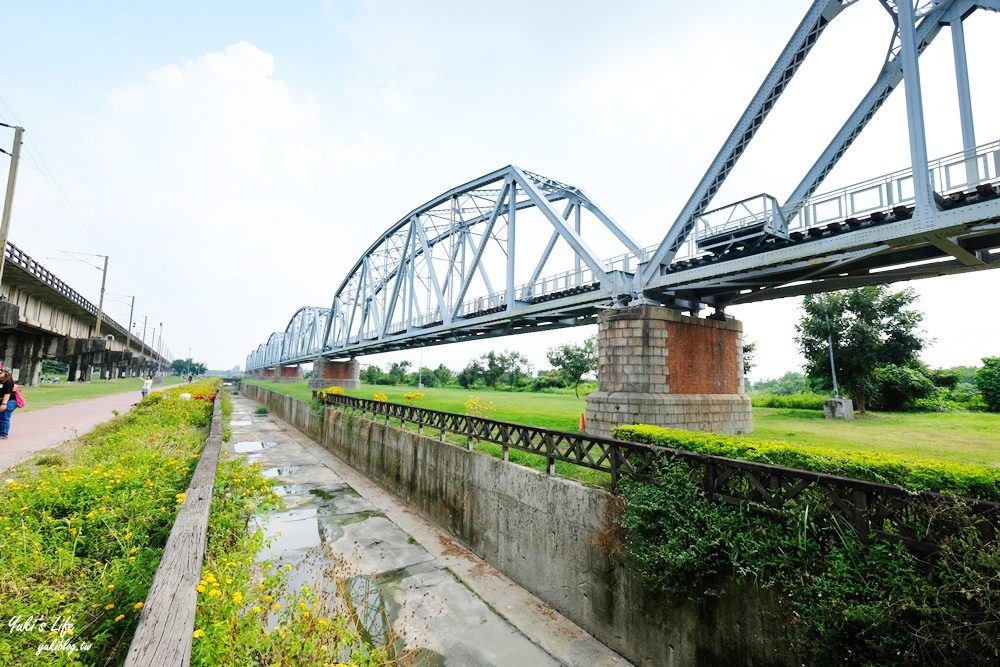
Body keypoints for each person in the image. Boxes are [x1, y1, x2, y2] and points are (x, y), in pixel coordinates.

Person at [0, 369, 17, 440]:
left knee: (4, 418)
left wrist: (4, 404)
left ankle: (3, 434)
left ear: (5, 373)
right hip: (2, 401)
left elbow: (7, 394)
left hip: (9, 402)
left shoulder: (8, 382)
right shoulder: (1, 382)